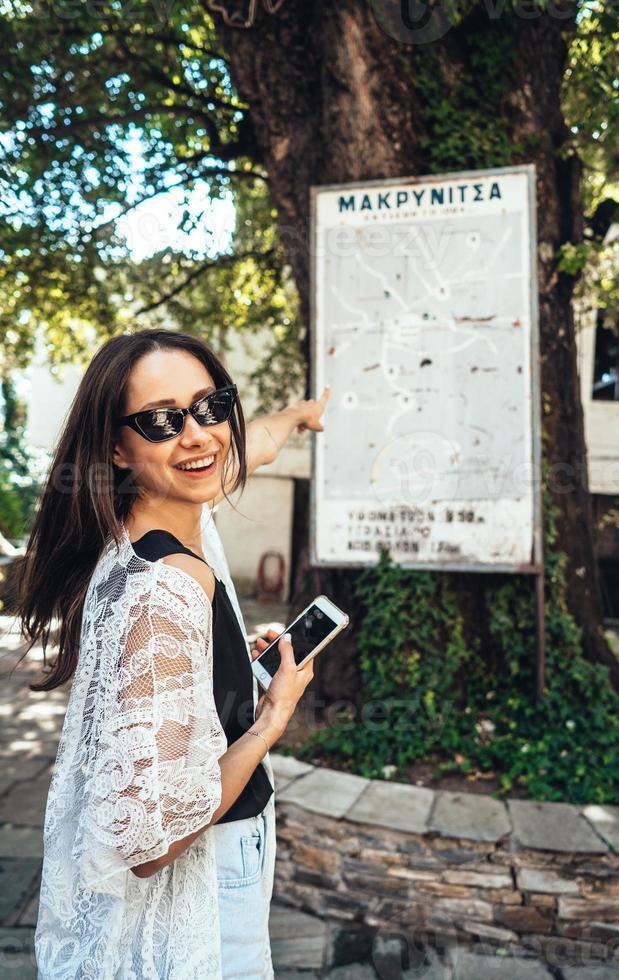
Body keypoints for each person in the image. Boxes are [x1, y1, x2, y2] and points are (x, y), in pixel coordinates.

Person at [15, 328, 330, 979]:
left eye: (211, 406)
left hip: (224, 850)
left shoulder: (146, 528)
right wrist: (273, 717)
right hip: (212, 866)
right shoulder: (165, 586)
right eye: (162, 421)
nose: (198, 435)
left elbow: (254, 444)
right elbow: (151, 840)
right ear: (117, 448)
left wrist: (300, 417)